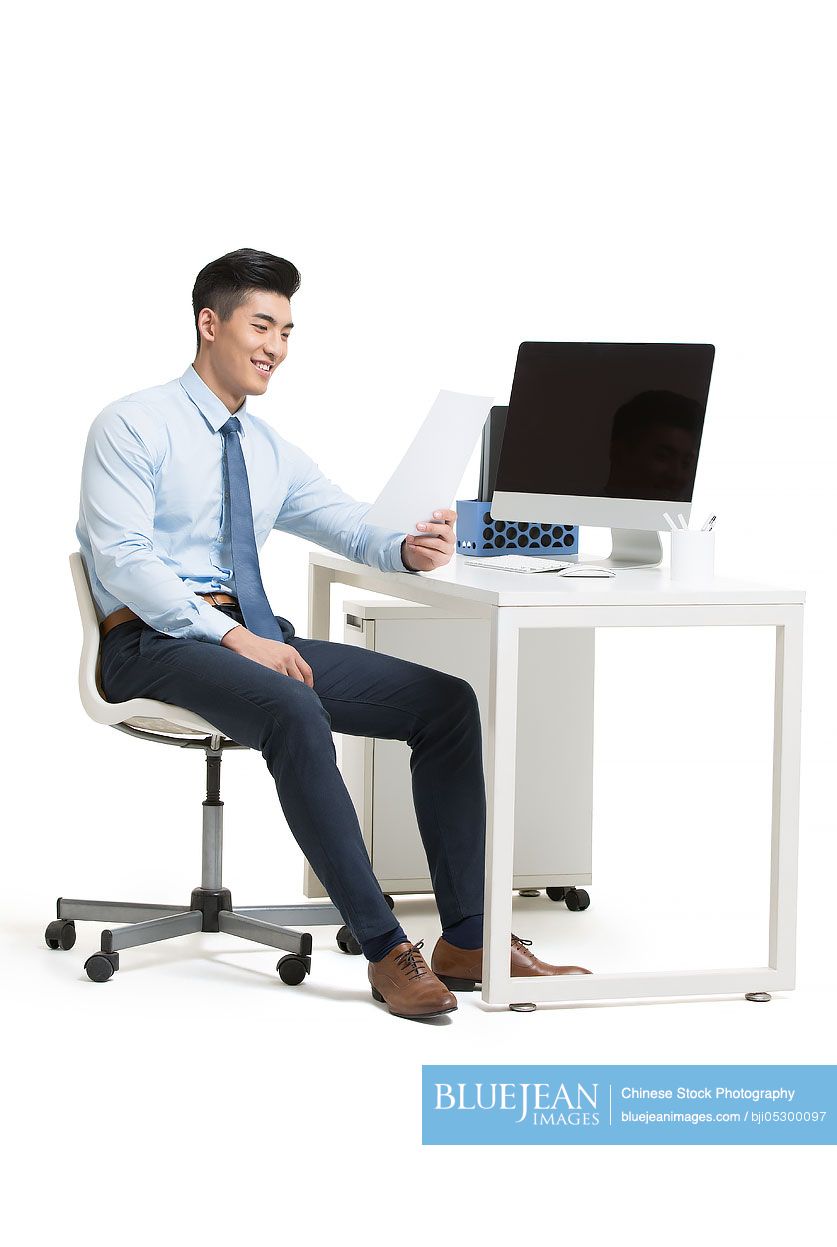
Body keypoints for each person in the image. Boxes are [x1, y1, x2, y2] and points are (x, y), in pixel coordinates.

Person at [76, 247, 590, 1020]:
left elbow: (344, 518)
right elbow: (125, 560)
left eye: (286, 329)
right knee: (292, 704)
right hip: (151, 642)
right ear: (208, 323)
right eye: (261, 324)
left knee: (445, 704)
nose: (276, 346)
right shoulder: (132, 424)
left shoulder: (266, 447)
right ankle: (385, 948)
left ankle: (468, 939)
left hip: (249, 636)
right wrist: (230, 639)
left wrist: (404, 545)